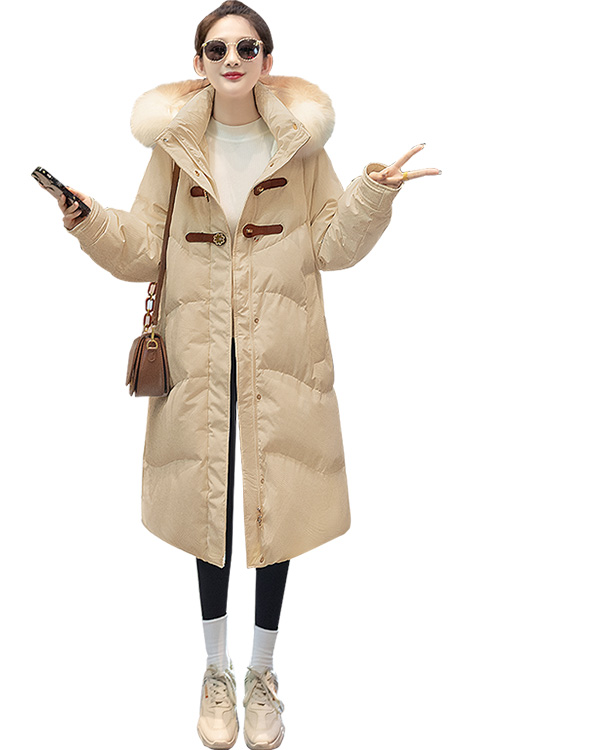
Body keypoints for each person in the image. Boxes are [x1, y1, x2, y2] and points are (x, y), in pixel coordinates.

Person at [48, 2, 440, 748]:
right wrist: (89, 219)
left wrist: (373, 193)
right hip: (198, 361)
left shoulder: (301, 149)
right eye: (218, 48)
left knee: (276, 508)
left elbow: (332, 247)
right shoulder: (174, 150)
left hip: (282, 358)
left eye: (248, 47)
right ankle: (214, 672)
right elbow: (143, 250)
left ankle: (262, 673)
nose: (233, 59)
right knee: (210, 513)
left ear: (268, 59)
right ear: (197, 63)